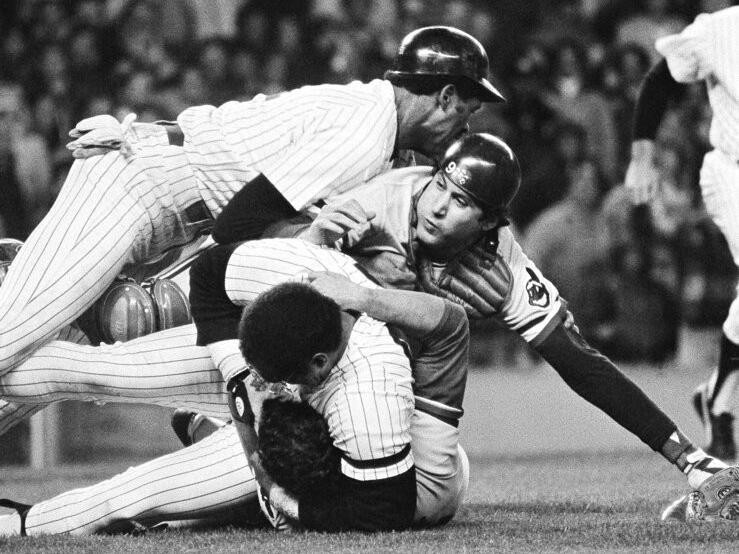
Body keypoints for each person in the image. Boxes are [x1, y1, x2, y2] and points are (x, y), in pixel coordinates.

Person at [1, 134, 737, 522]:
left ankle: (208, 432)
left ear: (491, 223)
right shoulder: (382, 196)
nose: (437, 206)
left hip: (359, 392)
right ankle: (91, 298)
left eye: (460, 203)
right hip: (276, 335)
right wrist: (319, 233)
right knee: (101, 359)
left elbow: (581, 365)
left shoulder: (501, 270)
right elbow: (245, 240)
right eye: (440, 186)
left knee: (282, 475)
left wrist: (683, 456)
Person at [0, 25, 503, 429]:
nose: (465, 126)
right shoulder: (366, 133)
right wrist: (177, 290)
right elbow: (245, 217)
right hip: (140, 182)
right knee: (14, 334)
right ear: (443, 96)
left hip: (169, 198)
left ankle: (27, 276)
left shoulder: (377, 125)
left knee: (46, 358)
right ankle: (25, 278)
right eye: (467, 109)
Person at [0, 241, 470, 534]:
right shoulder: (302, 269)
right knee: (101, 369)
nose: (269, 383)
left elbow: (381, 512)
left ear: (318, 364)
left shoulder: (369, 397)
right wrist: (240, 376)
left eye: (275, 377)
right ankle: (8, 331)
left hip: (340, 463)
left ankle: (24, 524)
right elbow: (209, 274)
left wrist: (277, 494)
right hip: (306, 399)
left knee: (140, 492)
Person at [624, 5, 739, 462]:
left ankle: (717, 399)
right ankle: (719, 398)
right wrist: (641, 156)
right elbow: (660, 81)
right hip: (732, 171)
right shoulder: (723, 29)